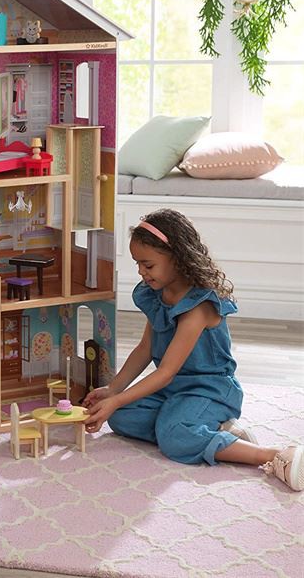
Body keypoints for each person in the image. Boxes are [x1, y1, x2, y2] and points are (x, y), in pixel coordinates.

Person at [83, 208, 302, 491]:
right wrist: (114, 391)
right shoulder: (158, 295)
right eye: (138, 264)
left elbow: (166, 372)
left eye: (148, 265)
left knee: (173, 438)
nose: (141, 272)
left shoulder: (198, 307)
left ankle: (271, 455)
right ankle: (210, 432)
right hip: (173, 390)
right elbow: (145, 348)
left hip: (209, 390)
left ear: (177, 257)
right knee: (120, 416)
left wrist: (118, 398)